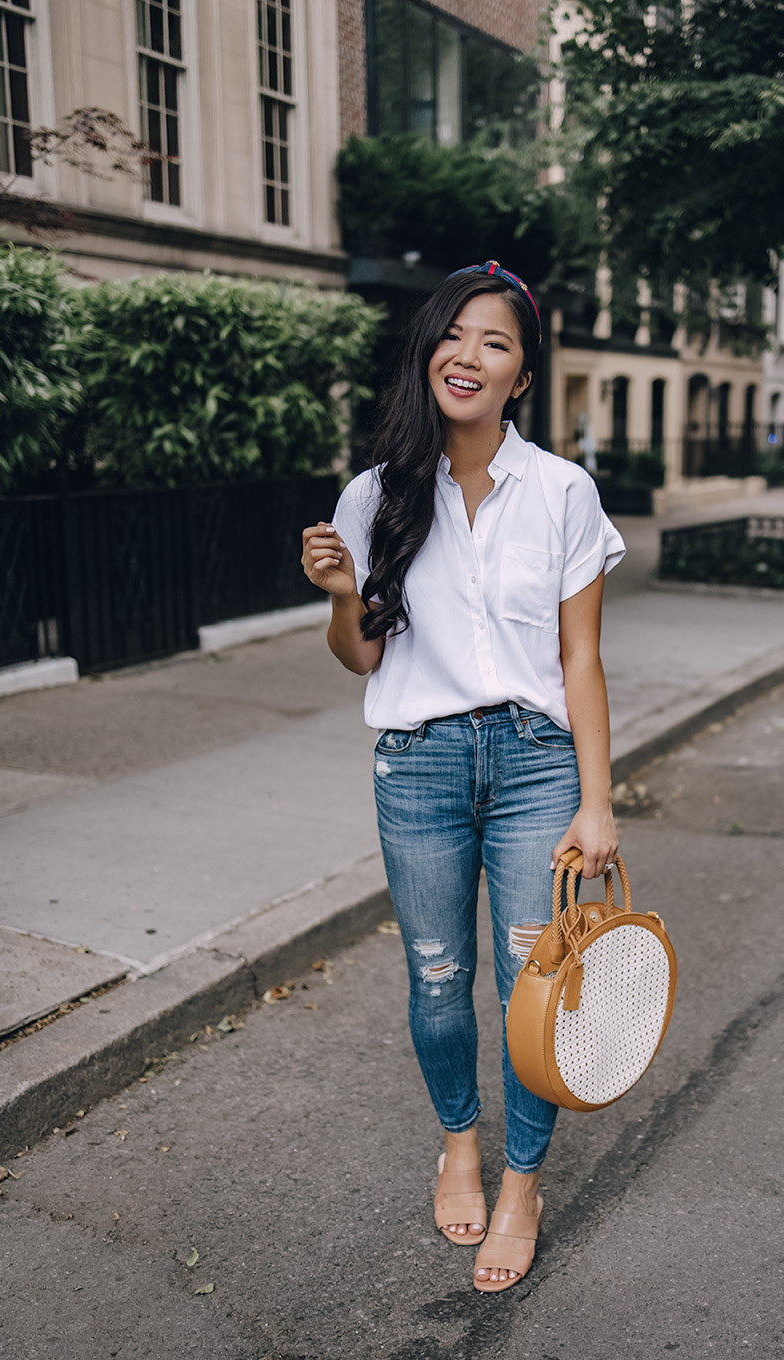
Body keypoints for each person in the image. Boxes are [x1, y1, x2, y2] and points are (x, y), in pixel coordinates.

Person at [301, 261, 625, 1293]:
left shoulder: (563, 491)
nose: (468, 354)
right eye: (453, 334)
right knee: (438, 979)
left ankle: (522, 1181)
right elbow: (360, 655)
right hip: (419, 763)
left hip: (535, 765)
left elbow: (580, 659)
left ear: (522, 373)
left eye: (494, 341)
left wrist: (598, 796)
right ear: (427, 351)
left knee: (535, 989)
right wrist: (343, 593)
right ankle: (458, 1140)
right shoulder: (375, 492)